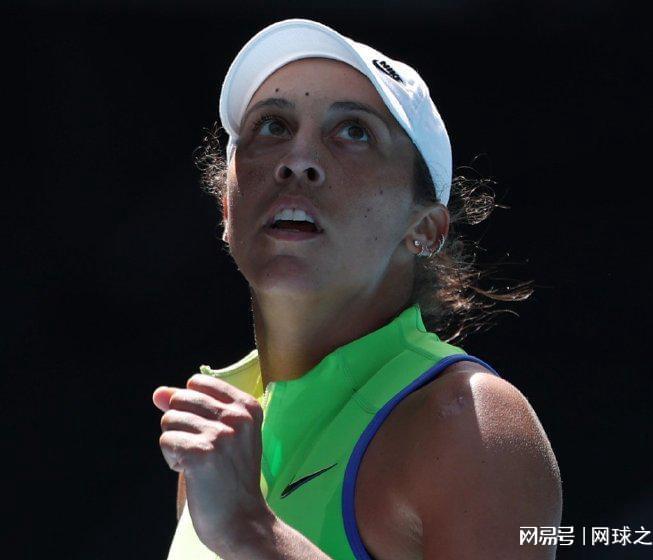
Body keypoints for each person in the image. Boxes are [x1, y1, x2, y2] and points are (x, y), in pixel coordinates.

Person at [152, 18, 562, 560]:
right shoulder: (218, 435)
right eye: (272, 126)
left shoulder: (469, 421)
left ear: (425, 229)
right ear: (227, 207)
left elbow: (248, 531)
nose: (298, 160)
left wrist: (252, 531)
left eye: (354, 132)